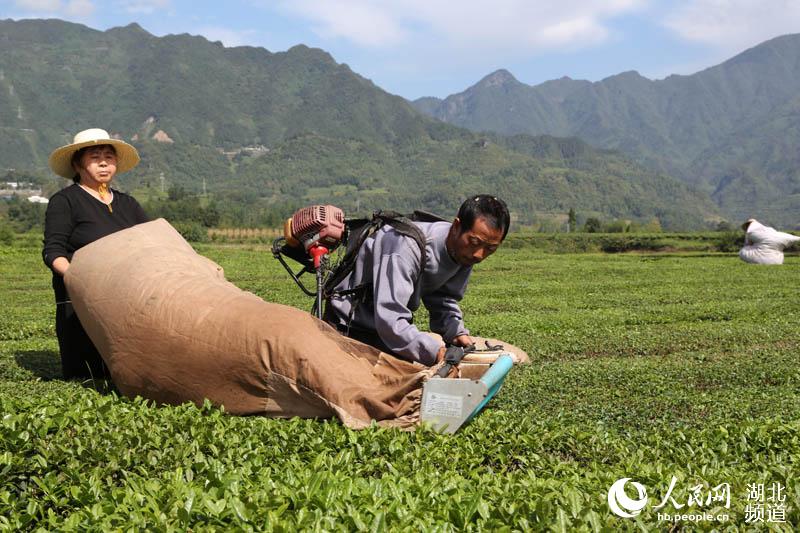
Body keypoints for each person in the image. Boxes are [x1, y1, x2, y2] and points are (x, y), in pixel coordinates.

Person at [324, 195, 510, 366]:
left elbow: (443, 297)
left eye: (491, 248)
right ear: (456, 226)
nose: (479, 255)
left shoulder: (464, 252)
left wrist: (455, 333)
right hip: (348, 326)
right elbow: (390, 318)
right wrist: (435, 351)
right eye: (475, 242)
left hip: (386, 333)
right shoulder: (406, 246)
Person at [42, 128, 148, 379]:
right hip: (80, 300)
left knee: (125, 373)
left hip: (125, 298)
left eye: (109, 157)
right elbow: (53, 250)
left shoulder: (128, 204)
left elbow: (152, 242)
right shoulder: (65, 201)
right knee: (88, 375)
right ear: (78, 164)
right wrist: (79, 278)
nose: (103, 162)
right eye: (95, 156)